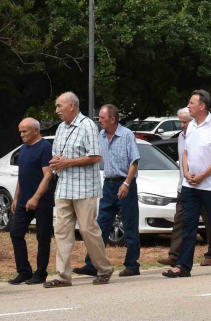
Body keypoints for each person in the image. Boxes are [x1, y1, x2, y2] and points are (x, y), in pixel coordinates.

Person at [45, 92, 112, 287]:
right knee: (62, 232)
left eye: (59, 106)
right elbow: (57, 155)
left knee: (87, 230)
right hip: (64, 187)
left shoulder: (88, 126)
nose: (57, 110)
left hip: (84, 189)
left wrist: (67, 162)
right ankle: (62, 276)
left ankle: (104, 269)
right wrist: (56, 161)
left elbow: (95, 156)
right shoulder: (60, 128)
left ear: (71, 106)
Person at [164, 90, 211, 277]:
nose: (188, 105)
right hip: (190, 186)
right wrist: (186, 172)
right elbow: (185, 152)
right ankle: (183, 266)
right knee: (188, 224)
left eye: (191, 102)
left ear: (202, 106)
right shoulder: (191, 126)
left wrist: (202, 176)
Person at [74, 105, 141, 278]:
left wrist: (126, 184)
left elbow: (134, 163)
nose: (99, 120)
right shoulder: (101, 136)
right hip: (108, 185)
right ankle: (92, 264)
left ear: (112, 119)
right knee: (101, 225)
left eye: (102, 118)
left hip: (125, 183)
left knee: (130, 225)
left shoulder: (126, 135)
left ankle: (132, 265)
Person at [160, 108, 211, 268]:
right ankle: (175, 256)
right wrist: (185, 177)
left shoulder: (204, 132)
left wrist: (201, 176)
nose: (182, 125)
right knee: (180, 221)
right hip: (185, 186)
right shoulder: (181, 137)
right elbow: (184, 159)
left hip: (205, 186)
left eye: (185, 122)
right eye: (180, 122)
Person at [8, 118, 54, 285]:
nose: (21, 134)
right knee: (16, 233)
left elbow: (47, 175)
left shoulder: (45, 148)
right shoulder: (24, 148)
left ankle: (40, 273)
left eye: (24, 131)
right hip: (23, 202)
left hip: (42, 202)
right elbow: (22, 175)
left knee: (43, 238)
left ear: (35, 130)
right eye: (20, 131)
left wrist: (36, 197)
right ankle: (24, 271)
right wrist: (16, 197)